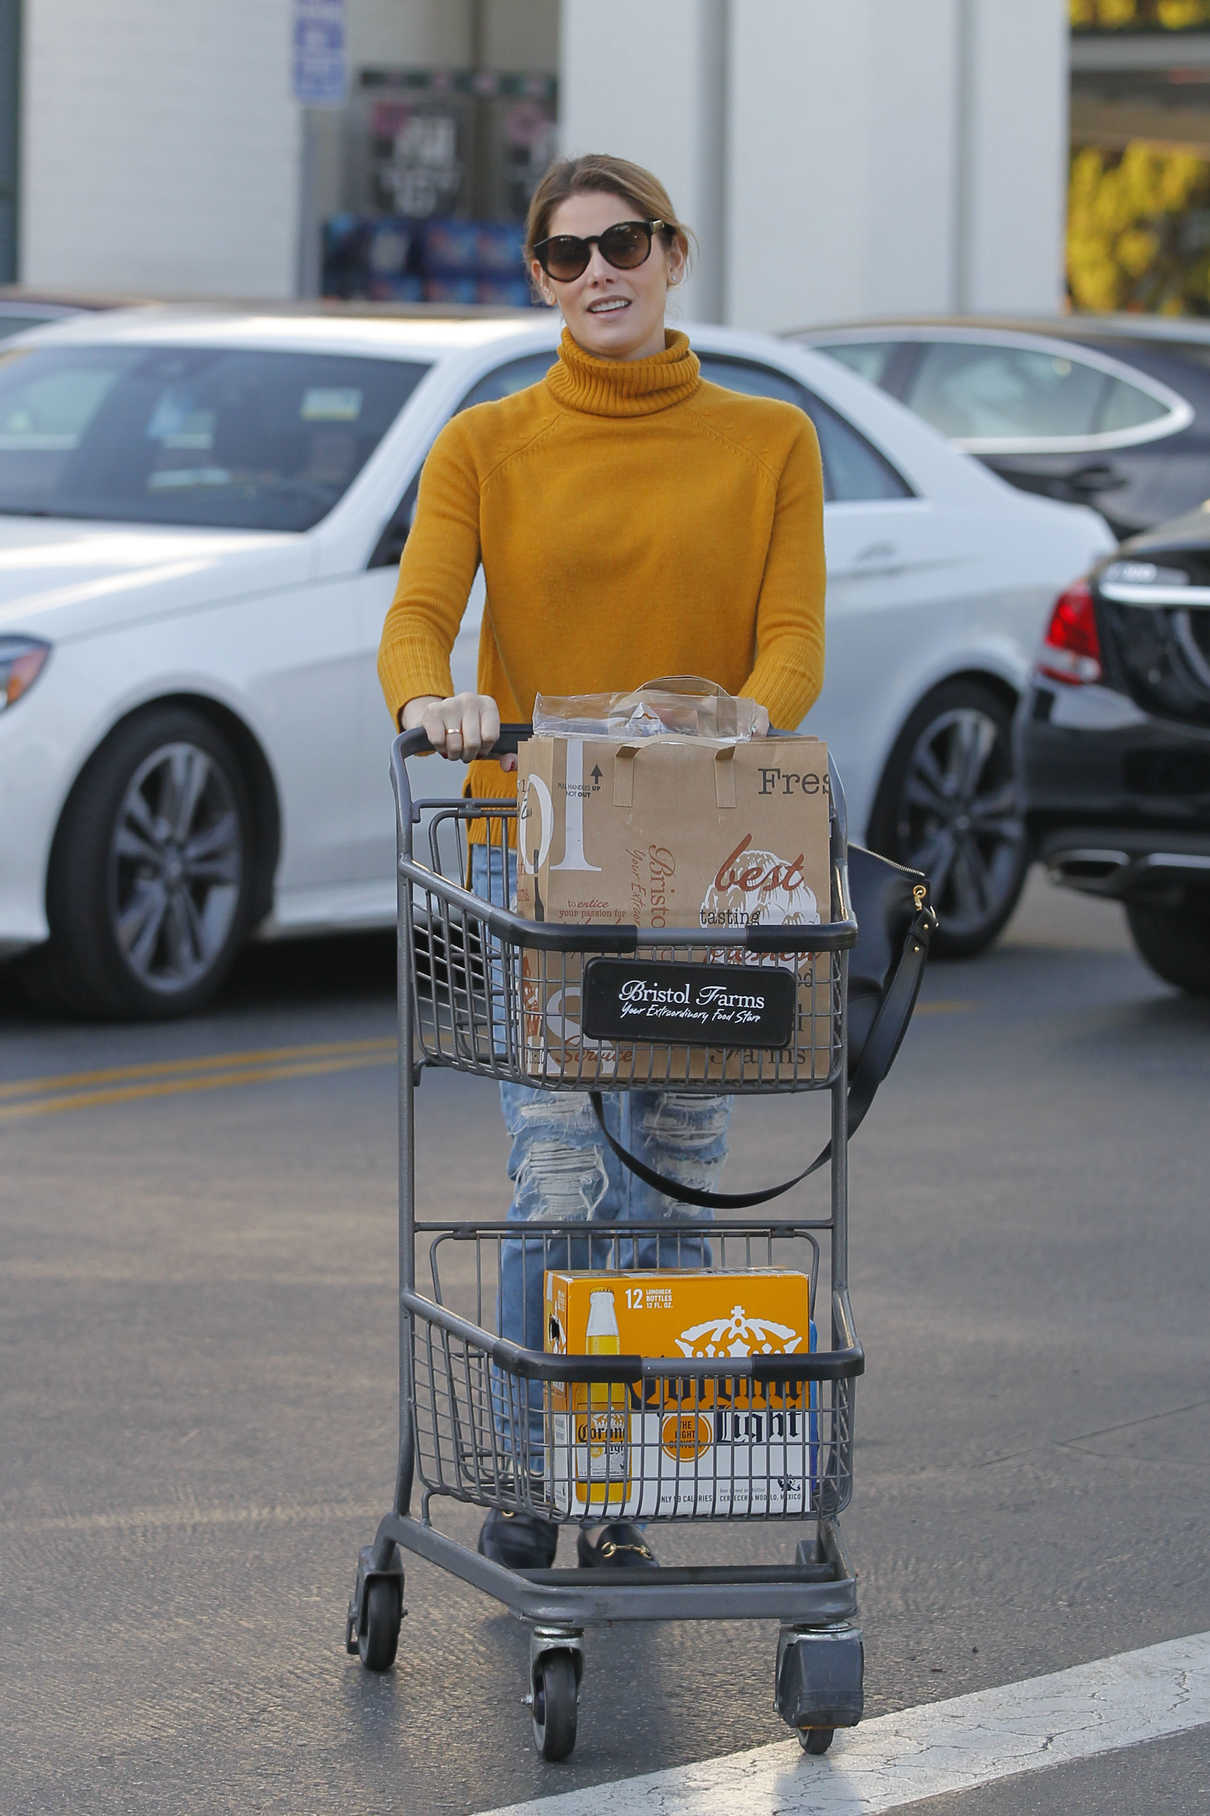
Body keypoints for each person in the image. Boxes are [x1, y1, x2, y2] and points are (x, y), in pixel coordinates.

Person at [377, 152, 826, 1572]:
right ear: (537, 278)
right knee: (562, 1182)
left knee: (673, 1179)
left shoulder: (767, 440)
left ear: (673, 253)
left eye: (620, 245)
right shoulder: (487, 444)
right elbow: (418, 614)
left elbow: (794, 640)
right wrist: (431, 703)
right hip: (546, 860)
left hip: (700, 851)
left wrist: (739, 718)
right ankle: (527, 1471)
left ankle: (624, 1468)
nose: (595, 278)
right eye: (564, 258)